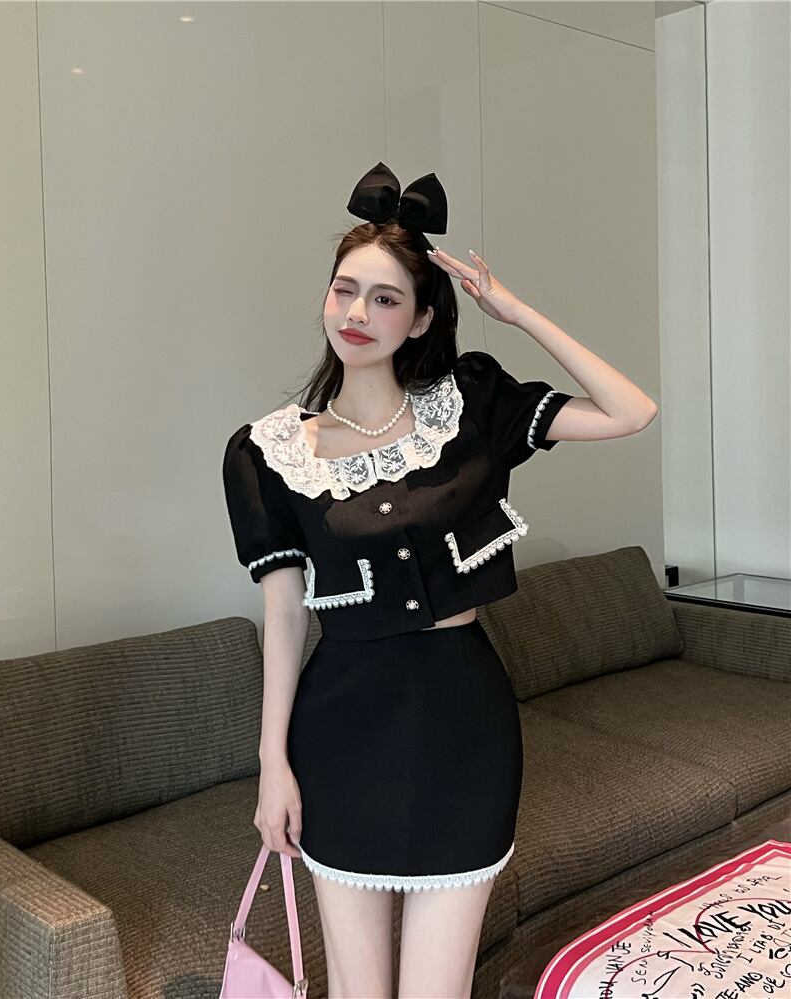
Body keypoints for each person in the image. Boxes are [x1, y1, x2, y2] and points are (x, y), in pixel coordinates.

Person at [222, 162, 658, 998]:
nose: (357, 313)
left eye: (385, 298)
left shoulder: (471, 405)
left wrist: (516, 311)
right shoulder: (268, 452)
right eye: (345, 290)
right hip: (340, 735)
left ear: (422, 317)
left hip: (465, 727)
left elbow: (630, 410)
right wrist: (272, 761)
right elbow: (284, 614)